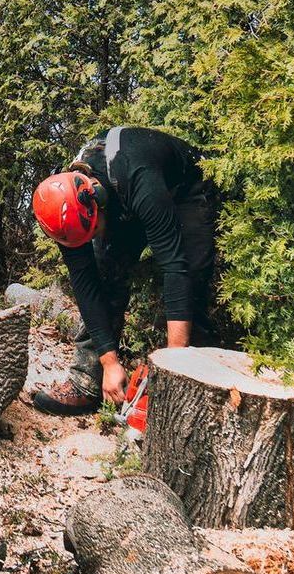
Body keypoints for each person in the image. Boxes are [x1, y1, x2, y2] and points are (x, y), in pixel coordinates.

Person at [31, 126, 219, 415]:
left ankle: (191, 393)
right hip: (124, 197)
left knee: (191, 280)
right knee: (106, 273)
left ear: (97, 201)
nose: (93, 238)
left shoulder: (138, 177)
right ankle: (87, 383)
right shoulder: (62, 207)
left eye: (94, 231)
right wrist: (109, 361)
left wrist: (173, 367)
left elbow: (174, 266)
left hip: (185, 192)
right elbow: (85, 282)